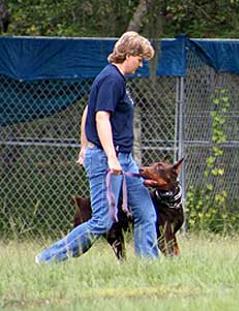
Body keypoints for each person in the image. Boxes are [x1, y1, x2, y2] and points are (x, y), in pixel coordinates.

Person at [35, 31, 159, 263]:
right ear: (129, 54)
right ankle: (47, 259)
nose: (141, 64)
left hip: (123, 159)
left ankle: (149, 266)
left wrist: (84, 146)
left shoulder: (117, 79)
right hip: (107, 159)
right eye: (140, 59)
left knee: (145, 212)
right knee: (102, 221)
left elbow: (88, 111)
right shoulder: (112, 79)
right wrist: (110, 157)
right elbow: (101, 117)